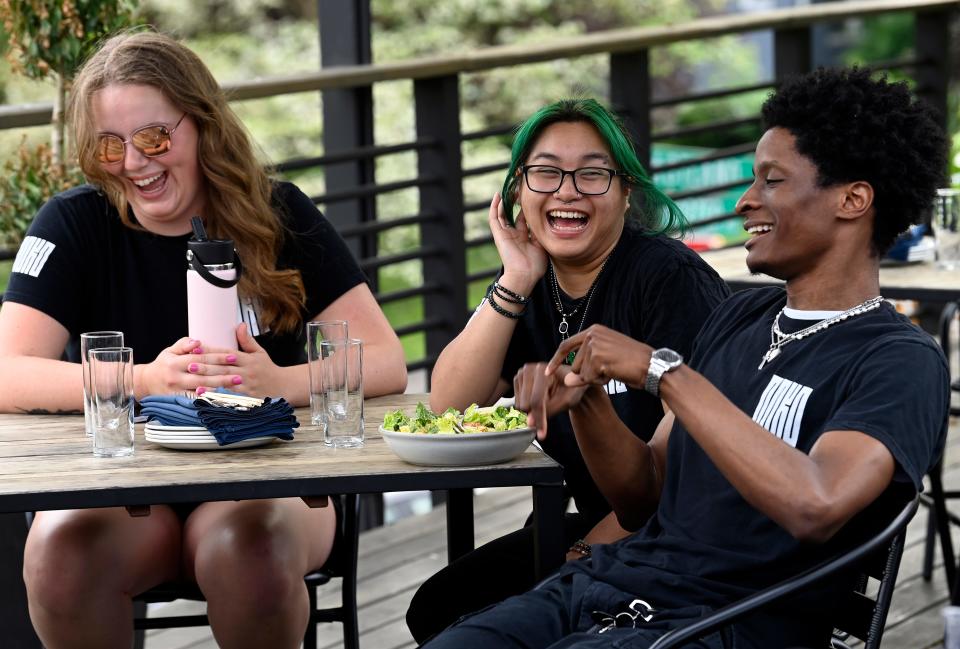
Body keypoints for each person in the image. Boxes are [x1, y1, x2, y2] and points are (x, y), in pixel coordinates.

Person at [422, 67, 950, 649]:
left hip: (721, 624)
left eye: (771, 182)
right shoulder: (738, 319)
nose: (747, 201)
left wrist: (664, 372)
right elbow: (644, 493)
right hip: (612, 589)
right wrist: (588, 399)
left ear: (853, 199)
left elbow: (816, 502)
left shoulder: (898, 359)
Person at [0, 30, 407, 649]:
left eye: (154, 137)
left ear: (203, 126)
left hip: (267, 482)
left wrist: (280, 383)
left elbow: (385, 360)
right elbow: (6, 370)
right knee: (61, 555)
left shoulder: (279, 212)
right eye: (111, 145)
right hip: (128, 493)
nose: (134, 163)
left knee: (250, 550)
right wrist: (143, 381)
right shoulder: (75, 222)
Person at [408, 98, 730, 641]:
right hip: (603, 523)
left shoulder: (670, 281)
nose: (567, 190)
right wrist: (516, 275)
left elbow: (685, 478)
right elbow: (448, 404)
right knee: (438, 607)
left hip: (684, 542)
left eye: (592, 174)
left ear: (626, 193)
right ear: (516, 192)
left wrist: (579, 559)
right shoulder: (536, 287)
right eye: (545, 172)